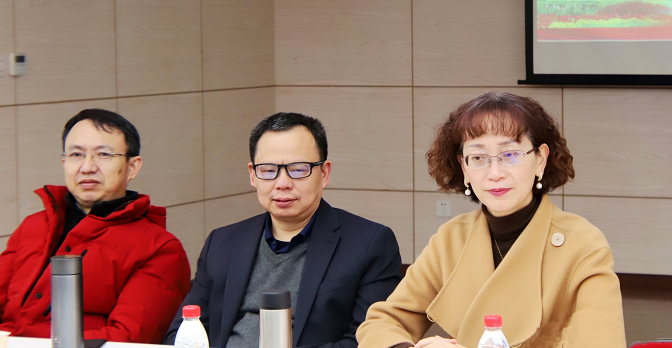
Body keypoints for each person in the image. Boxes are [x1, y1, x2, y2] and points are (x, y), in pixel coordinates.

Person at [357, 93, 626, 348]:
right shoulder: (451, 239)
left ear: (540, 160)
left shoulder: (582, 245)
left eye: (510, 155)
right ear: (464, 167)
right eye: (478, 158)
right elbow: (383, 322)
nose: (494, 173)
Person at [165, 112, 403, 348]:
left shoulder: (369, 244)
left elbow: (370, 341)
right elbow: (182, 333)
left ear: (324, 173)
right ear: (252, 175)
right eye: (268, 170)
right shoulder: (222, 242)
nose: (282, 183)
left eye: (298, 169)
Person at [0, 109, 191, 342]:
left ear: (132, 167)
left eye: (103, 154)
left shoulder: (160, 249)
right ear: (64, 163)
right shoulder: (33, 227)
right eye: (76, 155)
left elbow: (127, 339)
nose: (87, 167)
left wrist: (18, 340)